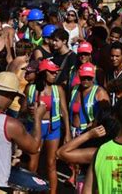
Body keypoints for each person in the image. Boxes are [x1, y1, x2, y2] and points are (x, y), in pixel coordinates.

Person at [0, 72, 47, 192]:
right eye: (13, 96)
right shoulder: (10, 124)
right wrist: (38, 118)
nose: (12, 100)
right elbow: (34, 148)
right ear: (8, 94)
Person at [25, 59, 71, 194]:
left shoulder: (58, 89)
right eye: (51, 72)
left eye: (56, 72)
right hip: (36, 128)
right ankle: (29, 189)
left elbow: (64, 111)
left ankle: (53, 192)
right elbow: (22, 109)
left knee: (51, 164)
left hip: (53, 128)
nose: (54, 75)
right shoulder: (31, 88)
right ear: (43, 73)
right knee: (33, 163)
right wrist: (29, 109)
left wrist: (67, 132)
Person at [69, 62, 110, 137]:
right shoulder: (74, 89)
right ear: (79, 75)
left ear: (93, 77)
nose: (86, 80)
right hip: (73, 132)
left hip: (89, 134)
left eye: (89, 77)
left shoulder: (100, 92)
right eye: (84, 77)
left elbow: (104, 116)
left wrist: (87, 133)